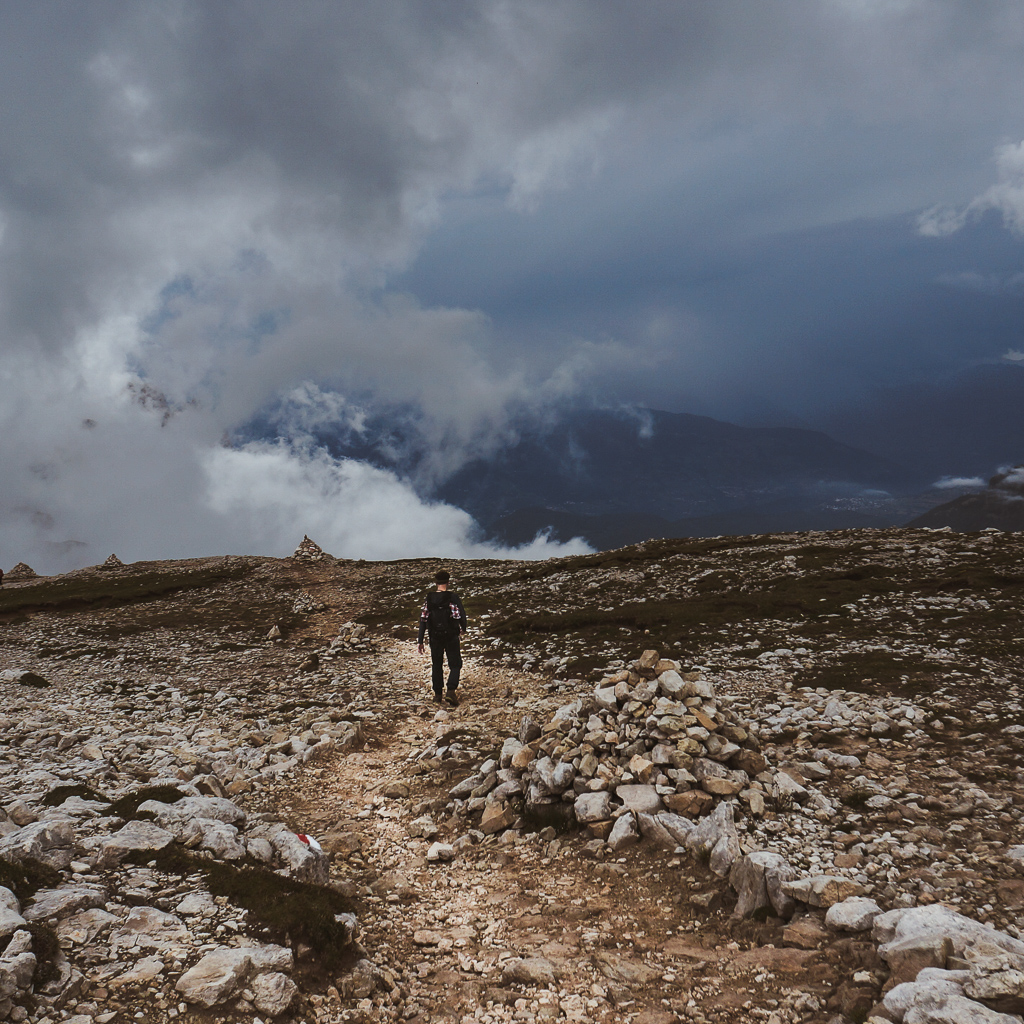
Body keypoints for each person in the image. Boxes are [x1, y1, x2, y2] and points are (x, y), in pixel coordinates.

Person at [417, 569, 467, 706]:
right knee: (455, 664)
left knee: (437, 664)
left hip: (435, 636)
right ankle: (451, 691)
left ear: (436, 582)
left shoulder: (430, 598)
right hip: (451, 635)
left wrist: (420, 640)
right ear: (448, 582)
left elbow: (423, 619)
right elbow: (461, 614)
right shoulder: (453, 597)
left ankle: (437, 695)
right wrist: (463, 628)